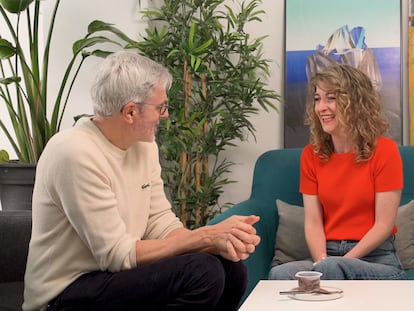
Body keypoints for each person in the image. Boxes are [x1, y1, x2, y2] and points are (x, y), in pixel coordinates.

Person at [23, 50, 261, 311]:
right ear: (130, 113)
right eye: (161, 107)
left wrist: (215, 243)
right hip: (66, 292)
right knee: (202, 272)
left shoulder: (143, 146)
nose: (166, 115)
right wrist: (204, 238)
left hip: (114, 277)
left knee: (230, 269)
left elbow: (159, 221)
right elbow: (116, 254)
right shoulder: (73, 152)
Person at [269, 64, 406, 281]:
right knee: (279, 274)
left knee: (333, 269)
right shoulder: (311, 155)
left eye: (330, 98)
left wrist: (336, 265)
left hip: (377, 260)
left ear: (355, 103)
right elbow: (313, 222)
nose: (321, 107)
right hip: (327, 255)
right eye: (317, 99)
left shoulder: (385, 151)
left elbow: (384, 225)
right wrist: (322, 262)